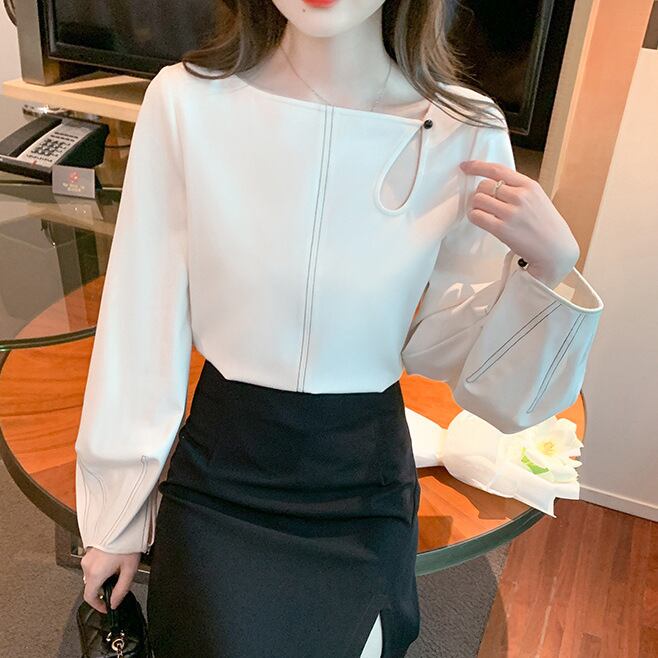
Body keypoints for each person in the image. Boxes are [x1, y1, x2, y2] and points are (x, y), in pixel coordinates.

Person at [75, 1, 604, 656]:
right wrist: (118, 514)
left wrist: (546, 271)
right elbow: (141, 315)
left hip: (361, 485)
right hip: (225, 473)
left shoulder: (464, 132)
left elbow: (464, 363)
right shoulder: (186, 103)